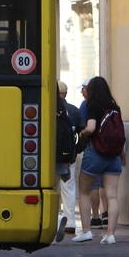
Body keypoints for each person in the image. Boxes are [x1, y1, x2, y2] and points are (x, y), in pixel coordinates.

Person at [72, 76, 124, 244]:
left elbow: (91, 128)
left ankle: (86, 231)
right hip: (114, 156)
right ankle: (110, 234)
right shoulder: (115, 107)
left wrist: (81, 134)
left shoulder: (92, 105)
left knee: (84, 192)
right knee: (112, 196)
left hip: (95, 153)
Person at [79, 79, 108, 229]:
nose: (82, 91)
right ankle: (106, 214)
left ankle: (95, 217)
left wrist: (82, 134)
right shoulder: (111, 104)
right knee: (107, 185)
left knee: (93, 185)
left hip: (94, 148)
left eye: (83, 88)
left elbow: (88, 127)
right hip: (110, 149)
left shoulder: (87, 105)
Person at [57, 81, 81, 234]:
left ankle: (52, 220)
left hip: (50, 157)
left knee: (52, 188)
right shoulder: (74, 110)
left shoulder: (49, 108)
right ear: (65, 94)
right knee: (68, 188)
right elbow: (83, 132)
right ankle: (70, 222)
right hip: (68, 157)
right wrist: (77, 149)